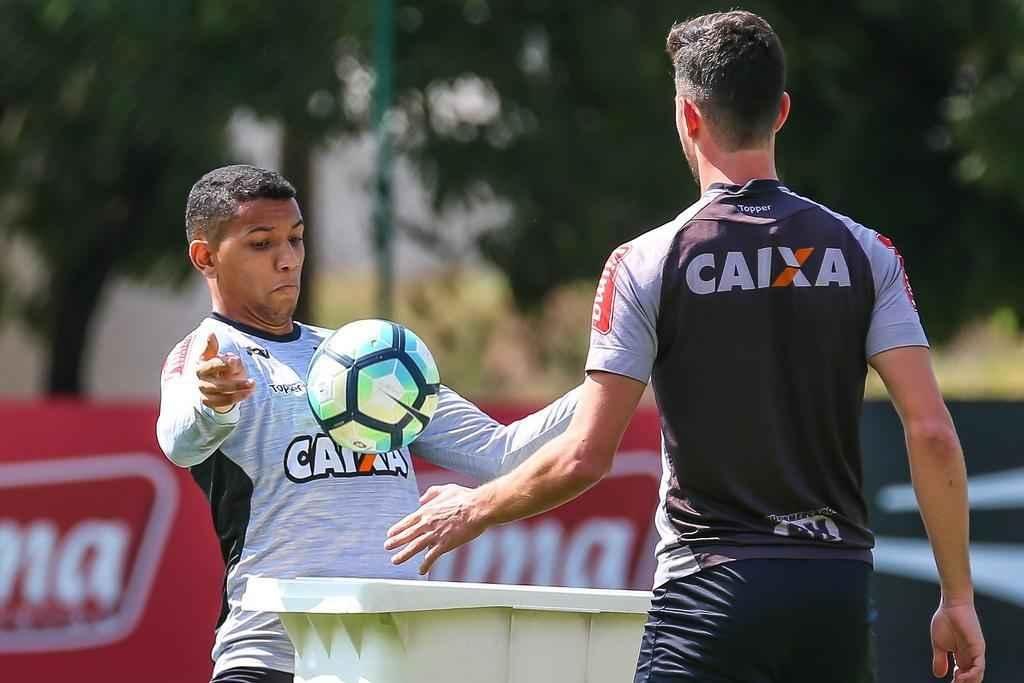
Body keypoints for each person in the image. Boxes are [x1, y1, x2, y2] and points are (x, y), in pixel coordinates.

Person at [386, 10, 985, 683]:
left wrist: (474, 506)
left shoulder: (646, 262)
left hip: (711, 591)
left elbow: (586, 455)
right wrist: (957, 595)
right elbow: (931, 431)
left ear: (688, 117)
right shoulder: (866, 250)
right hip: (834, 591)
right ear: (781, 111)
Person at [156, 164, 578, 683]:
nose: (287, 260)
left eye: (296, 239)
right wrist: (212, 403)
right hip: (273, 656)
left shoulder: (362, 355)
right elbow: (179, 440)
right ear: (205, 257)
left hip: (388, 656)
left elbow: (503, 453)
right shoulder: (210, 356)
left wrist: (620, 369)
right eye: (261, 244)